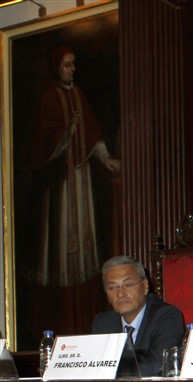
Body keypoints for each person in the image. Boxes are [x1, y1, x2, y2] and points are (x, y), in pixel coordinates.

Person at [30, 46, 121, 288]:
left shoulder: (79, 94)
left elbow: (92, 132)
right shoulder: (49, 97)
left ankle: (83, 278)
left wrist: (105, 157)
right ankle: (63, 278)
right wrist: (65, 134)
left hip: (81, 176)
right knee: (61, 230)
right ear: (57, 68)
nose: (72, 69)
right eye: (67, 65)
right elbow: (42, 141)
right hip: (60, 180)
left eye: (73, 64)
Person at [92, 256, 184, 376]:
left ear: (145, 286)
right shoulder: (103, 322)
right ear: (107, 294)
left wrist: (108, 366)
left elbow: (159, 363)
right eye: (112, 287)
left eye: (128, 284)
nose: (120, 294)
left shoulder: (166, 316)